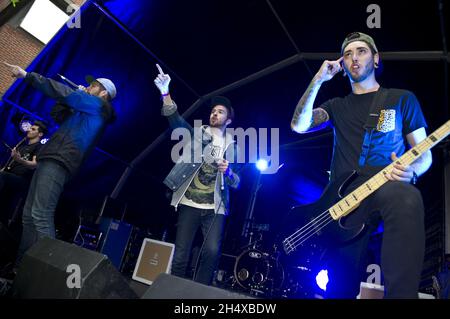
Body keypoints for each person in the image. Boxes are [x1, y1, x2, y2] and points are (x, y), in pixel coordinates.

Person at [290, 32, 432, 298]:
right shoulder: (336, 106)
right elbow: (298, 125)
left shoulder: (402, 99)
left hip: (385, 187)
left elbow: (424, 153)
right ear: (342, 66)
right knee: (340, 284)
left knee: (406, 196)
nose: (354, 58)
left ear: (376, 59)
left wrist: (413, 171)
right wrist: (318, 79)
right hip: (343, 203)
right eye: (347, 54)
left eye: (362, 51)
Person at [2, 62, 117, 270]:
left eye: (93, 86)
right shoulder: (85, 109)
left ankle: (50, 270)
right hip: (50, 158)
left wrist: (28, 76)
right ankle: (22, 268)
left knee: (41, 214)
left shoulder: (101, 107)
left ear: (103, 93)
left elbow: (64, 94)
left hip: (60, 160)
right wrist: (73, 96)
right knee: (29, 215)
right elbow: (58, 114)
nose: (87, 87)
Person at [154, 64, 241, 285]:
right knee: (181, 254)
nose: (215, 113)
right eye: (213, 111)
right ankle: (173, 293)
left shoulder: (234, 147)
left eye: (220, 111)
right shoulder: (196, 134)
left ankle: (199, 295)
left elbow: (238, 182)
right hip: (190, 202)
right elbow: (175, 122)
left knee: (211, 252)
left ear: (228, 120)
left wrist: (229, 171)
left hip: (215, 207)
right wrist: (165, 92)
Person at [0, 121, 47, 226]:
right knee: (4, 201)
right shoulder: (21, 146)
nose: (29, 130)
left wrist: (20, 160)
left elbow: (34, 164)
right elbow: (10, 163)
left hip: (22, 180)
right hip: (9, 176)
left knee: (2, 177)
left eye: (33, 129)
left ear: (40, 134)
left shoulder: (39, 147)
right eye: (30, 128)